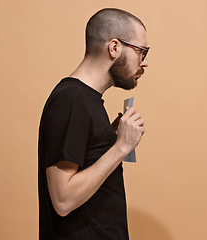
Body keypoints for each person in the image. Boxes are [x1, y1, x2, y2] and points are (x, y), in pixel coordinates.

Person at [38, 8, 149, 239]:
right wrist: (120, 148)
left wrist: (110, 137)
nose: (145, 63)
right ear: (115, 47)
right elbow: (63, 199)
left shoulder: (86, 100)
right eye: (141, 51)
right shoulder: (71, 101)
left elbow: (84, 164)